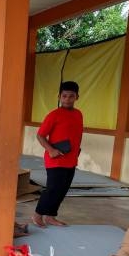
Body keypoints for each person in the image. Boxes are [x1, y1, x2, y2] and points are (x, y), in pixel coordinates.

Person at [33, 81, 83, 227]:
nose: (67, 99)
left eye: (71, 96)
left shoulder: (79, 114)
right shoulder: (53, 115)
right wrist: (51, 150)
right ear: (59, 97)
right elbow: (40, 135)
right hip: (55, 160)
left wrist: (77, 151)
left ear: (77, 97)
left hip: (71, 160)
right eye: (64, 96)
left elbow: (77, 135)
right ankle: (37, 215)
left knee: (62, 190)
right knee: (52, 189)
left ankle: (50, 216)